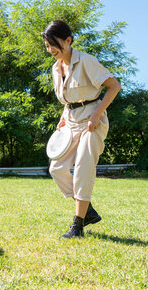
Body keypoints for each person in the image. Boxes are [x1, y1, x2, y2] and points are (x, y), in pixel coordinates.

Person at [41, 20, 121, 239]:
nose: (50, 50)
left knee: (84, 166)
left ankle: (77, 225)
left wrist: (96, 115)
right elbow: (68, 100)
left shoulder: (86, 61)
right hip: (71, 121)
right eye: (47, 46)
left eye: (53, 45)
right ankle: (88, 211)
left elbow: (114, 86)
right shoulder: (55, 68)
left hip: (91, 121)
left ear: (68, 40)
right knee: (56, 168)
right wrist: (62, 118)